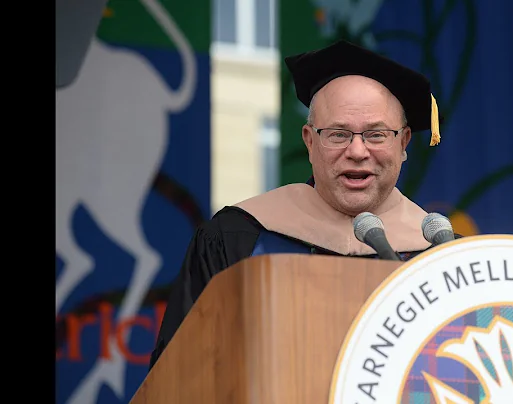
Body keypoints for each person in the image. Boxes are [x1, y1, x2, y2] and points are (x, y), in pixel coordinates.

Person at [148, 40, 452, 370]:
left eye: (376, 135)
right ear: (309, 141)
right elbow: (179, 373)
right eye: (338, 134)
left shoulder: (443, 257)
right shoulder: (238, 238)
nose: (358, 151)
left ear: (404, 142)